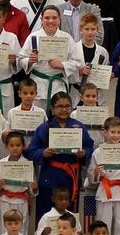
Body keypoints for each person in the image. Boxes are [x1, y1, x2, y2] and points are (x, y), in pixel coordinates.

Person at [26, 92, 93, 220]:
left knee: (69, 217)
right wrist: (43, 153)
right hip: (50, 176)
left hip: (71, 176)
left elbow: (89, 146)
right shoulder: (44, 127)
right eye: (60, 106)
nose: (64, 110)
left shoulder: (79, 126)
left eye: (67, 106)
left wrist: (84, 152)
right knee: (46, 215)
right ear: (52, 109)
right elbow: (32, 151)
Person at [19, 6, 80, 111]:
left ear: (59, 20)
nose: (51, 21)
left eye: (54, 18)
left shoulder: (67, 38)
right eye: (47, 18)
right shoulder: (33, 37)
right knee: (38, 115)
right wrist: (29, 61)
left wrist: (63, 65)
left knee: (59, 115)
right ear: (41, 20)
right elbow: (21, 59)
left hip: (59, 84)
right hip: (38, 84)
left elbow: (77, 61)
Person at [88, 117, 120, 235]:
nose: (116, 135)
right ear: (105, 132)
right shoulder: (98, 152)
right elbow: (92, 178)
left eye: (119, 132)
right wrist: (96, 172)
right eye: (113, 132)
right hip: (104, 191)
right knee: (103, 224)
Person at [0, 133, 36, 233]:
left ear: (23, 146)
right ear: (6, 146)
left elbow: (31, 189)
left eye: (18, 145)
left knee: (21, 229)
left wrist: (33, 187)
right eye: (11, 145)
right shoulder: (1, 162)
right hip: (5, 200)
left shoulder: (28, 164)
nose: (15, 148)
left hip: (21, 201)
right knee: (4, 229)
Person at [72, 14, 111, 106]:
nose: (90, 32)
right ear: (80, 30)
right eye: (86, 29)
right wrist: (79, 72)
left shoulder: (103, 52)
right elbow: (66, 73)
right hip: (76, 94)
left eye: (93, 29)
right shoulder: (73, 49)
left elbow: (103, 75)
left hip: (95, 96)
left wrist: (107, 77)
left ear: (97, 30)